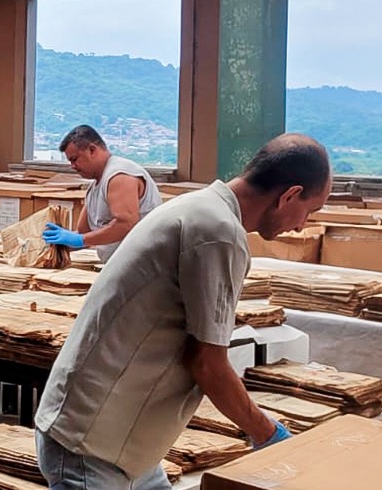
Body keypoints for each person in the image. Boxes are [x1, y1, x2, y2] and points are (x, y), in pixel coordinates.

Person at [35, 133, 331, 490]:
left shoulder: (200, 208)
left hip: (124, 442)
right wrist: (269, 434)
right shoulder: (217, 231)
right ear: (289, 195)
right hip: (93, 445)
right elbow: (207, 364)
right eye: (309, 211)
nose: (301, 225)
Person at [43, 125, 162, 262]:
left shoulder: (120, 176)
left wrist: (79, 240)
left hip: (143, 266)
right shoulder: (94, 187)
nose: (73, 166)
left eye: (75, 159)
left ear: (92, 150)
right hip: (120, 265)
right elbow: (84, 233)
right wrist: (58, 242)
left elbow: (126, 224)